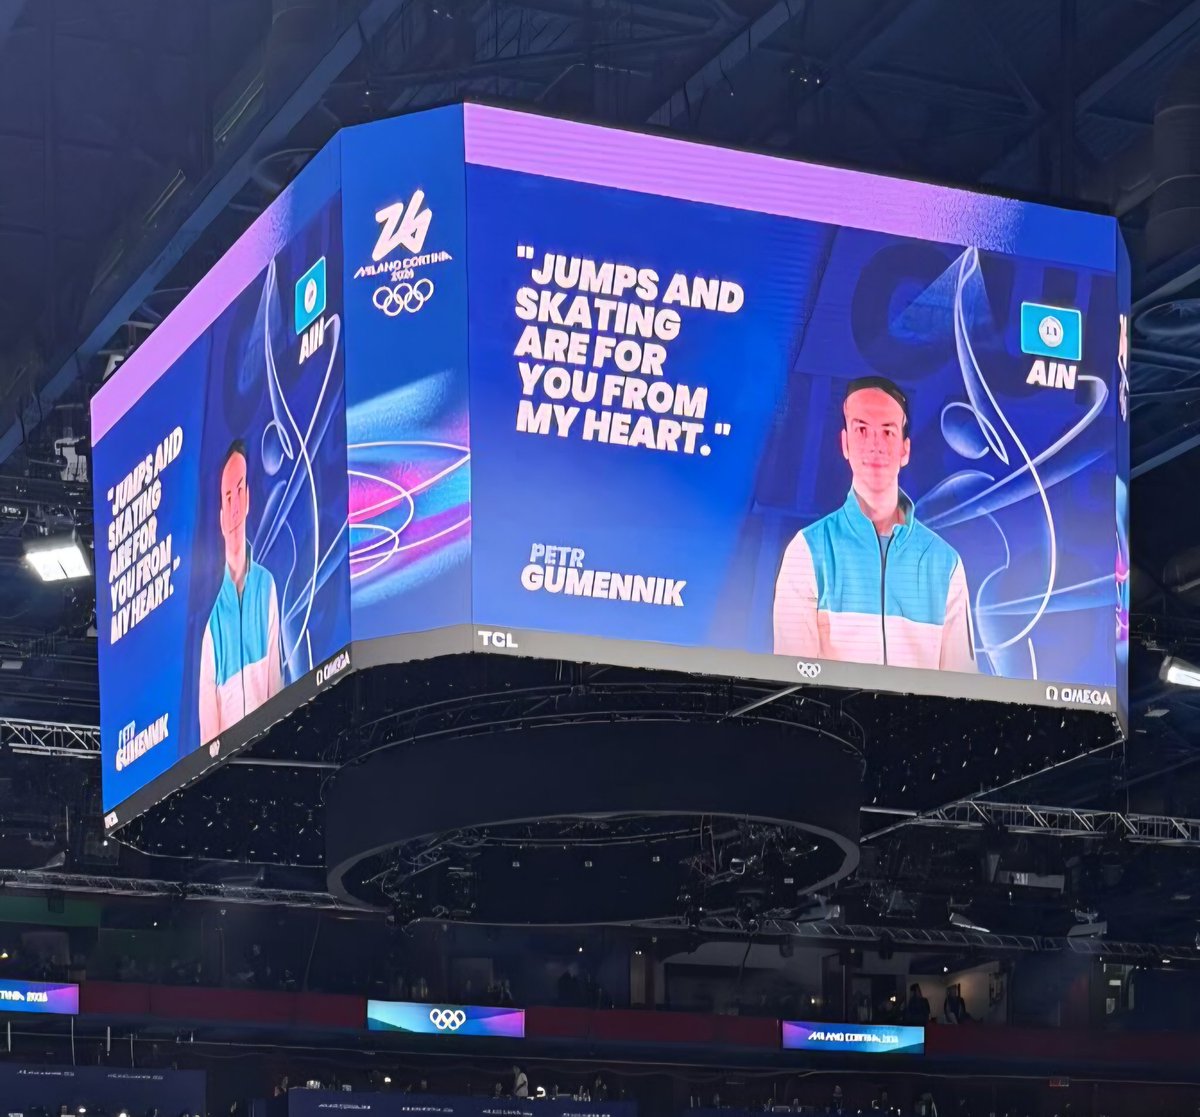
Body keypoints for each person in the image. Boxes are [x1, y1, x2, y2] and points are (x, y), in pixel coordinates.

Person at [773, 376, 976, 672]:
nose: (874, 445)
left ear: (905, 449)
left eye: (887, 432)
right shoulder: (807, 551)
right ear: (845, 443)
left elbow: (962, 686)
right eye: (862, 430)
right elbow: (791, 683)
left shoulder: (944, 563)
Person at [199, 439, 283, 744]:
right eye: (227, 496)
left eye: (239, 492)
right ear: (221, 515)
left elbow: (277, 682)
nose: (234, 508)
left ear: (248, 499)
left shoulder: (267, 587)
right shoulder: (212, 625)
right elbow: (208, 737)